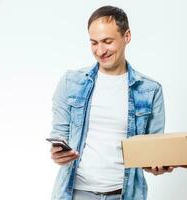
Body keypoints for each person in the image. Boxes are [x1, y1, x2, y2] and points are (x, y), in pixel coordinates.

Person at [49, 5, 175, 200]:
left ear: (127, 36)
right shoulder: (70, 83)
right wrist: (58, 153)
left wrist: (158, 164)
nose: (100, 51)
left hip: (125, 194)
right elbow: (59, 136)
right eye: (94, 43)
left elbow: (153, 150)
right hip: (75, 194)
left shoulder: (150, 90)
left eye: (107, 41)